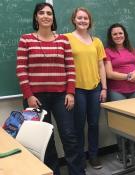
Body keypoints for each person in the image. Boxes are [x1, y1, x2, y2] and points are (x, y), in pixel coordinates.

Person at [16, 3, 85, 175]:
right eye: (42, 13)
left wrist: (70, 92)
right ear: (36, 17)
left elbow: (70, 68)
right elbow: (21, 70)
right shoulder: (26, 39)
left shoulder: (63, 40)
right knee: (45, 141)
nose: (46, 16)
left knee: (69, 136)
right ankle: (52, 172)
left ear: (53, 18)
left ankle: (77, 172)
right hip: (35, 98)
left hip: (61, 96)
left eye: (49, 13)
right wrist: (29, 95)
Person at [65, 7, 107, 169]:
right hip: (77, 89)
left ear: (90, 21)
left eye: (86, 18)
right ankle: (79, 158)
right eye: (79, 18)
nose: (83, 20)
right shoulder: (66, 38)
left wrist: (104, 88)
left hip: (95, 88)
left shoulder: (96, 41)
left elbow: (101, 65)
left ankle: (94, 156)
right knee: (78, 125)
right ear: (74, 20)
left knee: (94, 124)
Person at [104, 23, 135, 161]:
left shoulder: (131, 49)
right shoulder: (108, 51)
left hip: (133, 90)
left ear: (125, 34)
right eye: (114, 34)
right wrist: (128, 77)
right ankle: (122, 151)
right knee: (120, 122)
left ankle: (132, 149)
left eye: (120, 33)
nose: (118, 36)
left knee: (132, 121)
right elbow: (109, 73)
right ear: (111, 36)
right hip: (117, 91)